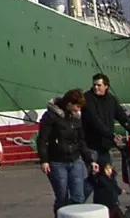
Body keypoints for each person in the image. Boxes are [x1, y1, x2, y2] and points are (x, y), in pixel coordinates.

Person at [38, 89, 99, 217]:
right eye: (77, 106)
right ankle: (60, 213)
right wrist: (44, 160)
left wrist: (90, 160)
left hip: (75, 160)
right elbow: (42, 140)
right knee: (62, 198)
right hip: (57, 162)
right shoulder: (51, 116)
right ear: (69, 104)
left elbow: (81, 141)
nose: (78, 110)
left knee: (79, 196)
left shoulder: (76, 117)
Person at [82, 73, 130, 210]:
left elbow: (122, 116)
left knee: (109, 176)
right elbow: (94, 121)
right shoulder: (87, 99)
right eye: (94, 85)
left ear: (106, 86)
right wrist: (111, 135)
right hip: (92, 146)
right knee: (95, 178)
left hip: (105, 147)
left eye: (99, 85)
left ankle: (110, 207)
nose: (96, 87)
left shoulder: (111, 100)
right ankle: (76, 203)